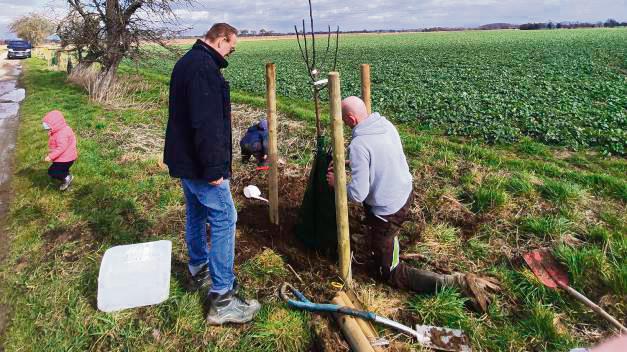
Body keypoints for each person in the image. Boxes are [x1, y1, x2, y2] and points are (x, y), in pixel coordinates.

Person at [327, 96, 499, 312]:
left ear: (351, 119)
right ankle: (390, 242)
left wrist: (338, 184)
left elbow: (358, 195)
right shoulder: (385, 125)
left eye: (344, 120)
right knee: (383, 237)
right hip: (405, 194)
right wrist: (354, 163)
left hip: (387, 212)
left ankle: (453, 284)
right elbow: (382, 155)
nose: (345, 124)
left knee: (388, 272)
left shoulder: (359, 144)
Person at [164, 23, 260, 325]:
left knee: (196, 212)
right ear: (220, 40)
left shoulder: (186, 62)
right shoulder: (204, 68)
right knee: (224, 218)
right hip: (200, 166)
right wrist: (213, 169)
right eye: (231, 45)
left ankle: (198, 269)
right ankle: (222, 298)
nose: (232, 51)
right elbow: (205, 124)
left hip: (186, 161)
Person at [43, 110, 77, 191]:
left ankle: (67, 177)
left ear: (55, 124)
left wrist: (50, 156)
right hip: (69, 157)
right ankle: (68, 185)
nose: (48, 129)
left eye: (49, 126)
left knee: (52, 171)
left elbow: (61, 148)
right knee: (63, 170)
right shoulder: (64, 128)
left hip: (65, 159)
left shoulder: (61, 134)